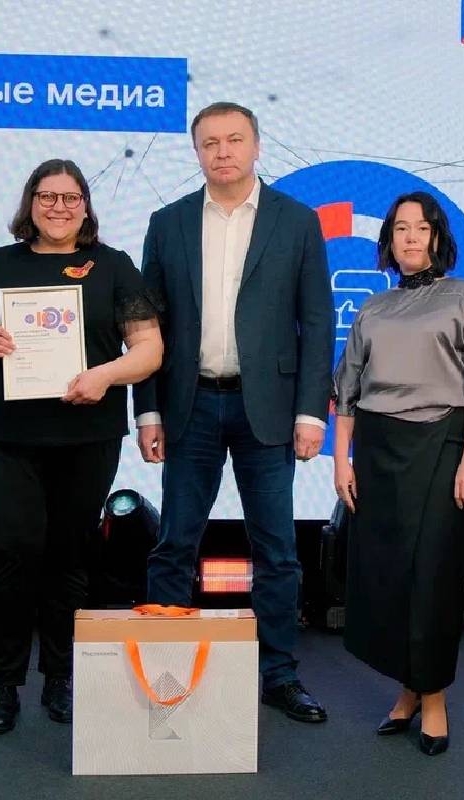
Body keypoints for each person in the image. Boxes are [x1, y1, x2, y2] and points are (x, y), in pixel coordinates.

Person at [0, 158, 163, 735]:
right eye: (47, 196)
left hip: (86, 436)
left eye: (70, 197)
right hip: (9, 436)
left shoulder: (113, 266)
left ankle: (61, 677)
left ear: (85, 206)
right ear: (30, 203)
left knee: (69, 558)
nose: (58, 207)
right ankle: (4, 684)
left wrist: (105, 375)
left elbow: (149, 350)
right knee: (10, 556)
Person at [133, 102, 334, 722]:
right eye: (210, 142)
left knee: (277, 551)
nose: (223, 151)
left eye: (234, 140)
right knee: (174, 544)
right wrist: (147, 412)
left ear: (256, 146)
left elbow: (317, 322)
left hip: (268, 408)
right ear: (196, 151)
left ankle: (279, 674)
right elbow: (145, 325)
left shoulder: (296, 221)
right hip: (188, 404)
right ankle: (164, 673)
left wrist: (312, 412)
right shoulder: (167, 223)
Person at [332, 191, 464, 755]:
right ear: (388, 240)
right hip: (377, 450)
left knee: (433, 574)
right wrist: (341, 460)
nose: (410, 237)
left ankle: (433, 697)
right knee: (388, 576)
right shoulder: (373, 309)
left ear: (438, 236)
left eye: (421, 227)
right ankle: (408, 689)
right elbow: (347, 394)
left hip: (443, 444)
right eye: (400, 228)